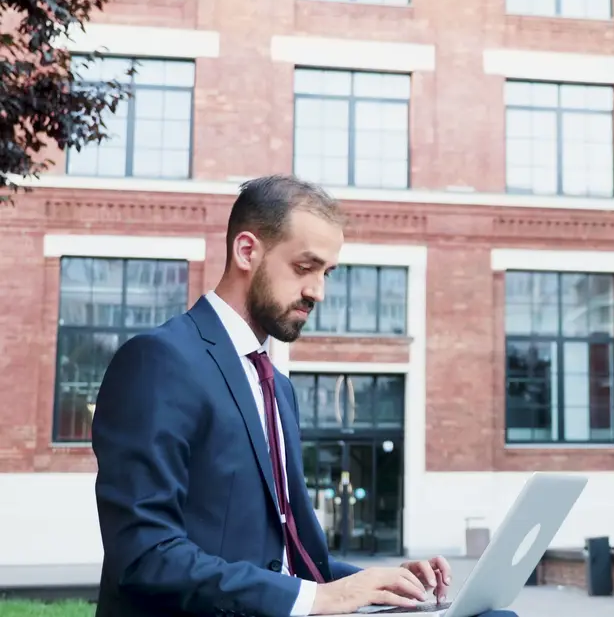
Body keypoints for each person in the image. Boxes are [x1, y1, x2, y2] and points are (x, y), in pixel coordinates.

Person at [91, 175, 517, 617]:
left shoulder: (278, 386)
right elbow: (145, 555)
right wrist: (324, 598)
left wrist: (384, 585)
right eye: (304, 268)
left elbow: (290, 562)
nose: (318, 291)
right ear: (246, 251)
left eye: (326, 273)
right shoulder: (159, 361)